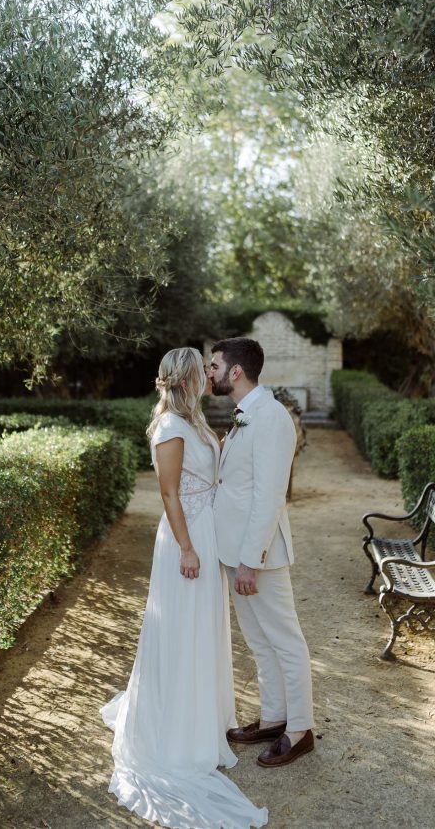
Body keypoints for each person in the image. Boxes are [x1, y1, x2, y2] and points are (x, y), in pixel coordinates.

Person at [101, 346, 267, 829]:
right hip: (184, 542)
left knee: (204, 631)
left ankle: (203, 720)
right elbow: (169, 493)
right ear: (189, 378)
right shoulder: (170, 428)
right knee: (181, 633)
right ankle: (177, 731)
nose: (210, 375)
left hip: (207, 533)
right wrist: (189, 548)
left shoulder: (193, 420)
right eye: (204, 371)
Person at [209, 337, 315, 768]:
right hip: (236, 551)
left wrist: (252, 559)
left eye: (214, 365)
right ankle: (273, 718)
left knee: (285, 640)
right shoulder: (245, 415)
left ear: (235, 371)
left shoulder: (270, 417)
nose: (209, 372)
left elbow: (270, 496)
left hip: (259, 556)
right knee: (258, 641)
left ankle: (301, 728)